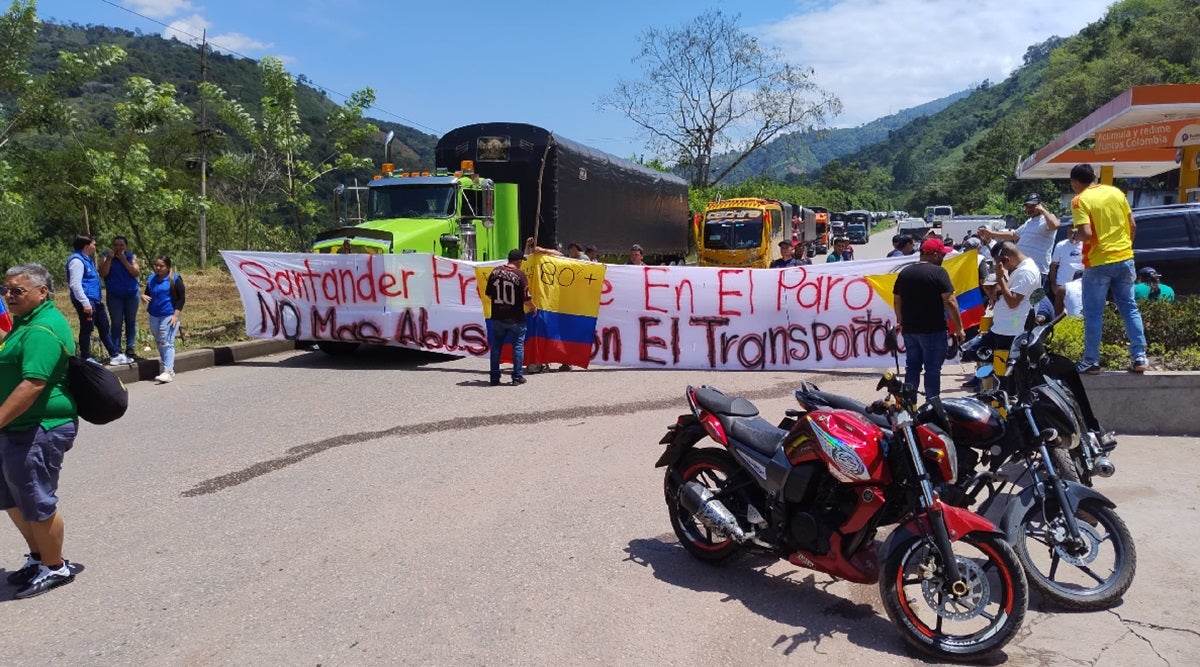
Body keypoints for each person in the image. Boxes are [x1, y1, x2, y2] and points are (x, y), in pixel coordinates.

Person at [0, 264, 78, 599]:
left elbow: (33, 384)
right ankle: (38, 557)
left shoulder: (43, 328)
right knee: (13, 498)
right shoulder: (25, 323)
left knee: (34, 500)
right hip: (15, 427)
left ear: (42, 292)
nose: (9, 296)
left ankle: (55, 566)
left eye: (17, 290)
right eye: (6, 289)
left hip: (38, 428)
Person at [1070, 163, 1147, 374]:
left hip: (1097, 263)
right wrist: (1126, 249)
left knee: (1094, 314)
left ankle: (1091, 361)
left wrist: (1074, 235)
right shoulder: (1116, 192)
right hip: (1125, 259)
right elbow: (1133, 225)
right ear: (1094, 176)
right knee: (1129, 308)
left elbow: (1085, 234)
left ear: (1076, 182)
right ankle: (1139, 357)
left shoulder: (1080, 200)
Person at [893, 239, 965, 399]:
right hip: (934, 330)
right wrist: (959, 328)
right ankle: (932, 406)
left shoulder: (905, 273)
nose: (943, 258)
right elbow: (950, 300)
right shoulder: (939, 273)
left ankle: (909, 405)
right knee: (932, 369)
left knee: (912, 368)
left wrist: (901, 321)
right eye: (942, 255)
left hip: (910, 330)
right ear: (934, 254)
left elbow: (897, 300)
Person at [484, 249, 536, 386]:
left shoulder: (494, 272)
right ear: (518, 261)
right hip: (515, 317)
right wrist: (533, 307)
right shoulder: (520, 275)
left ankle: (494, 377)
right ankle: (517, 377)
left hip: (498, 316)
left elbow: (489, 294)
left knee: (496, 347)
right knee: (517, 346)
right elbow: (526, 298)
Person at [66, 234, 120, 363]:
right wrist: (85, 303)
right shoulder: (77, 261)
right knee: (87, 328)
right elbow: (75, 284)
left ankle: (115, 355)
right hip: (86, 300)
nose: (96, 247)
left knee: (104, 326)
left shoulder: (87, 259)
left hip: (95, 300)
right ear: (86, 246)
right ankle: (86, 356)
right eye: (94, 244)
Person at [987, 193, 1061, 283]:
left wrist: (1043, 211)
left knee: (1031, 296)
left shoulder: (1047, 218)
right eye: (1027, 206)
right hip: (1022, 268)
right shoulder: (1029, 222)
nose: (1029, 209)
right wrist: (991, 233)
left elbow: (1055, 225)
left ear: (1039, 205)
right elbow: (1013, 235)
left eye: (1032, 206)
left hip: (1037, 269)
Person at [989, 241, 1041, 356]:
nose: (1004, 269)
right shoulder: (1023, 269)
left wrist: (1000, 278)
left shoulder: (1026, 272)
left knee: (1005, 368)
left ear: (1007, 259)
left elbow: (1013, 302)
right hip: (1008, 327)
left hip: (1012, 329)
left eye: (1000, 265)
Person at [142, 256, 185, 384]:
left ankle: (167, 372)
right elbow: (147, 294)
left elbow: (181, 298)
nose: (158, 268)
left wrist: (176, 315)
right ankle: (169, 368)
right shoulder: (151, 279)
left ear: (168, 267)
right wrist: (143, 297)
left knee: (167, 342)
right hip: (154, 315)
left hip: (169, 315)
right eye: (157, 265)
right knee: (159, 342)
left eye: (162, 266)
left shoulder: (175, 279)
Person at [99, 235, 140, 365]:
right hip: (115, 295)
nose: (118, 248)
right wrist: (110, 259)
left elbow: (135, 272)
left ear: (126, 246)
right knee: (116, 322)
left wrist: (123, 259)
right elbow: (103, 273)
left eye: (121, 245)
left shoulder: (131, 257)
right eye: (116, 245)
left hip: (131, 294)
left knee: (131, 321)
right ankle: (116, 349)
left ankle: (130, 347)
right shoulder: (106, 256)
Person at [1048, 227, 1085, 315]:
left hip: (1080, 284)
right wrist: (1053, 284)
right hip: (1062, 284)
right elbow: (1053, 266)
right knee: (1061, 313)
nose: (1073, 235)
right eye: (1071, 233)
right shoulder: (1061, 245)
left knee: (1078, 309)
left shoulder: (1085, 245)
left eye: (1075, 233)